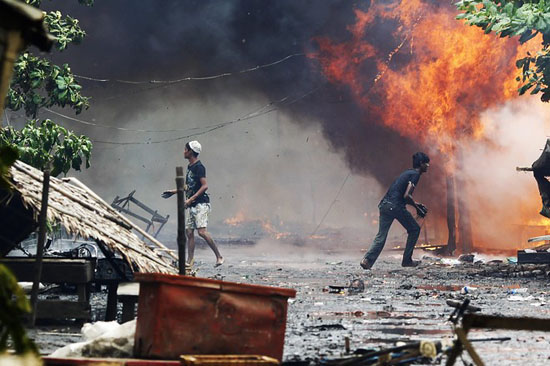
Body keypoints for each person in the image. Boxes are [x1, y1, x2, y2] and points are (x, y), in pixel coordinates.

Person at [360, 152, 430, 269]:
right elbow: (407, 196)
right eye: (426, 163)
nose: (428, 166)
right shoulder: (415, 174)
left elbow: (401, 195)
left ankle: (367, 260)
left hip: (385, 205)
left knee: (381, 236)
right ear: (421, 164)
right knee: (414, 229)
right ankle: (407, 261)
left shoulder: (407, 172)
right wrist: (417, 208)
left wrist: (416, 204)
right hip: (395, 206)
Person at [162, 140, 224, 267]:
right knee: (189, 232)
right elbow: (189, 186)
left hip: (201, 203)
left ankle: (219, 256)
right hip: (193, 204)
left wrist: (191, 199)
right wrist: (174, 191)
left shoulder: (199, 167)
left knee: (201, 232)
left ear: (190, 152)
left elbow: (205, 186)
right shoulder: (191, 167)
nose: (184, 151)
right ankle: (189, 262)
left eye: (185, 149)